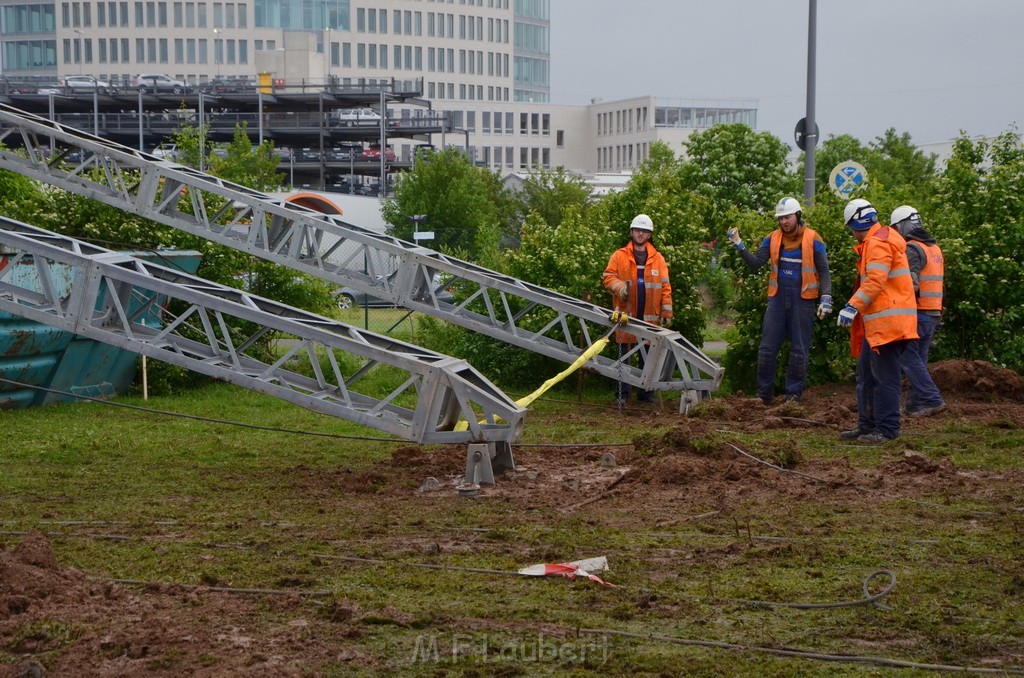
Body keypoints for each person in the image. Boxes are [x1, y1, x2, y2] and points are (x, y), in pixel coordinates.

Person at [727, 197, 832, 405]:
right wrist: (739, 244)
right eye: (781, 218)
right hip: (777, 299)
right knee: (767, 348)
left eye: (788, 217)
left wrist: (826, 297)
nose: (784, 221)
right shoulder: (773, 238)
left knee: (799, 350)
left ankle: (793, 396)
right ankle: (763, 395)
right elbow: (756, 263)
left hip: (803, 300)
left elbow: (824, 271)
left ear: (798, 216)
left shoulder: (813, 238)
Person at [837, 199, 919, 444]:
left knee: (885, 379)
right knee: (866, 376)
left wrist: (852, 306)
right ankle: (867, 425)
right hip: (882, 326)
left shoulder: (877, 243)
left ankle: (887, 430)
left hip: (889, 326)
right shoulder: (882, 239)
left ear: (855, 224)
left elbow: (875, 280)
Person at [602, 213, 673, 405]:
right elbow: (608, 277)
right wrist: (620, 288)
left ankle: (645, 394)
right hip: (626, 315)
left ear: (649, 235)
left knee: (647, 357)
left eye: (644, 231)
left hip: (649, 318)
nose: (640, 234)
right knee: (624, 357)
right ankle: (622, 395)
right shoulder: (619, 255)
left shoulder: (658, 259)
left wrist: (667, 313)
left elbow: (665, 287)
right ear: (631, 232)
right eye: (637, 230)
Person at [890, 206, 946, 417]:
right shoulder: (934, 249)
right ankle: (915, 405)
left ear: (903, 225)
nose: (896, 232)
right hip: (932, 312)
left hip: (918, 312)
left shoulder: (912, 248)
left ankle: (933, 398)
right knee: (919, 360)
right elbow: (941, 286)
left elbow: (910, 281)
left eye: (896, 228)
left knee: (906, 357)